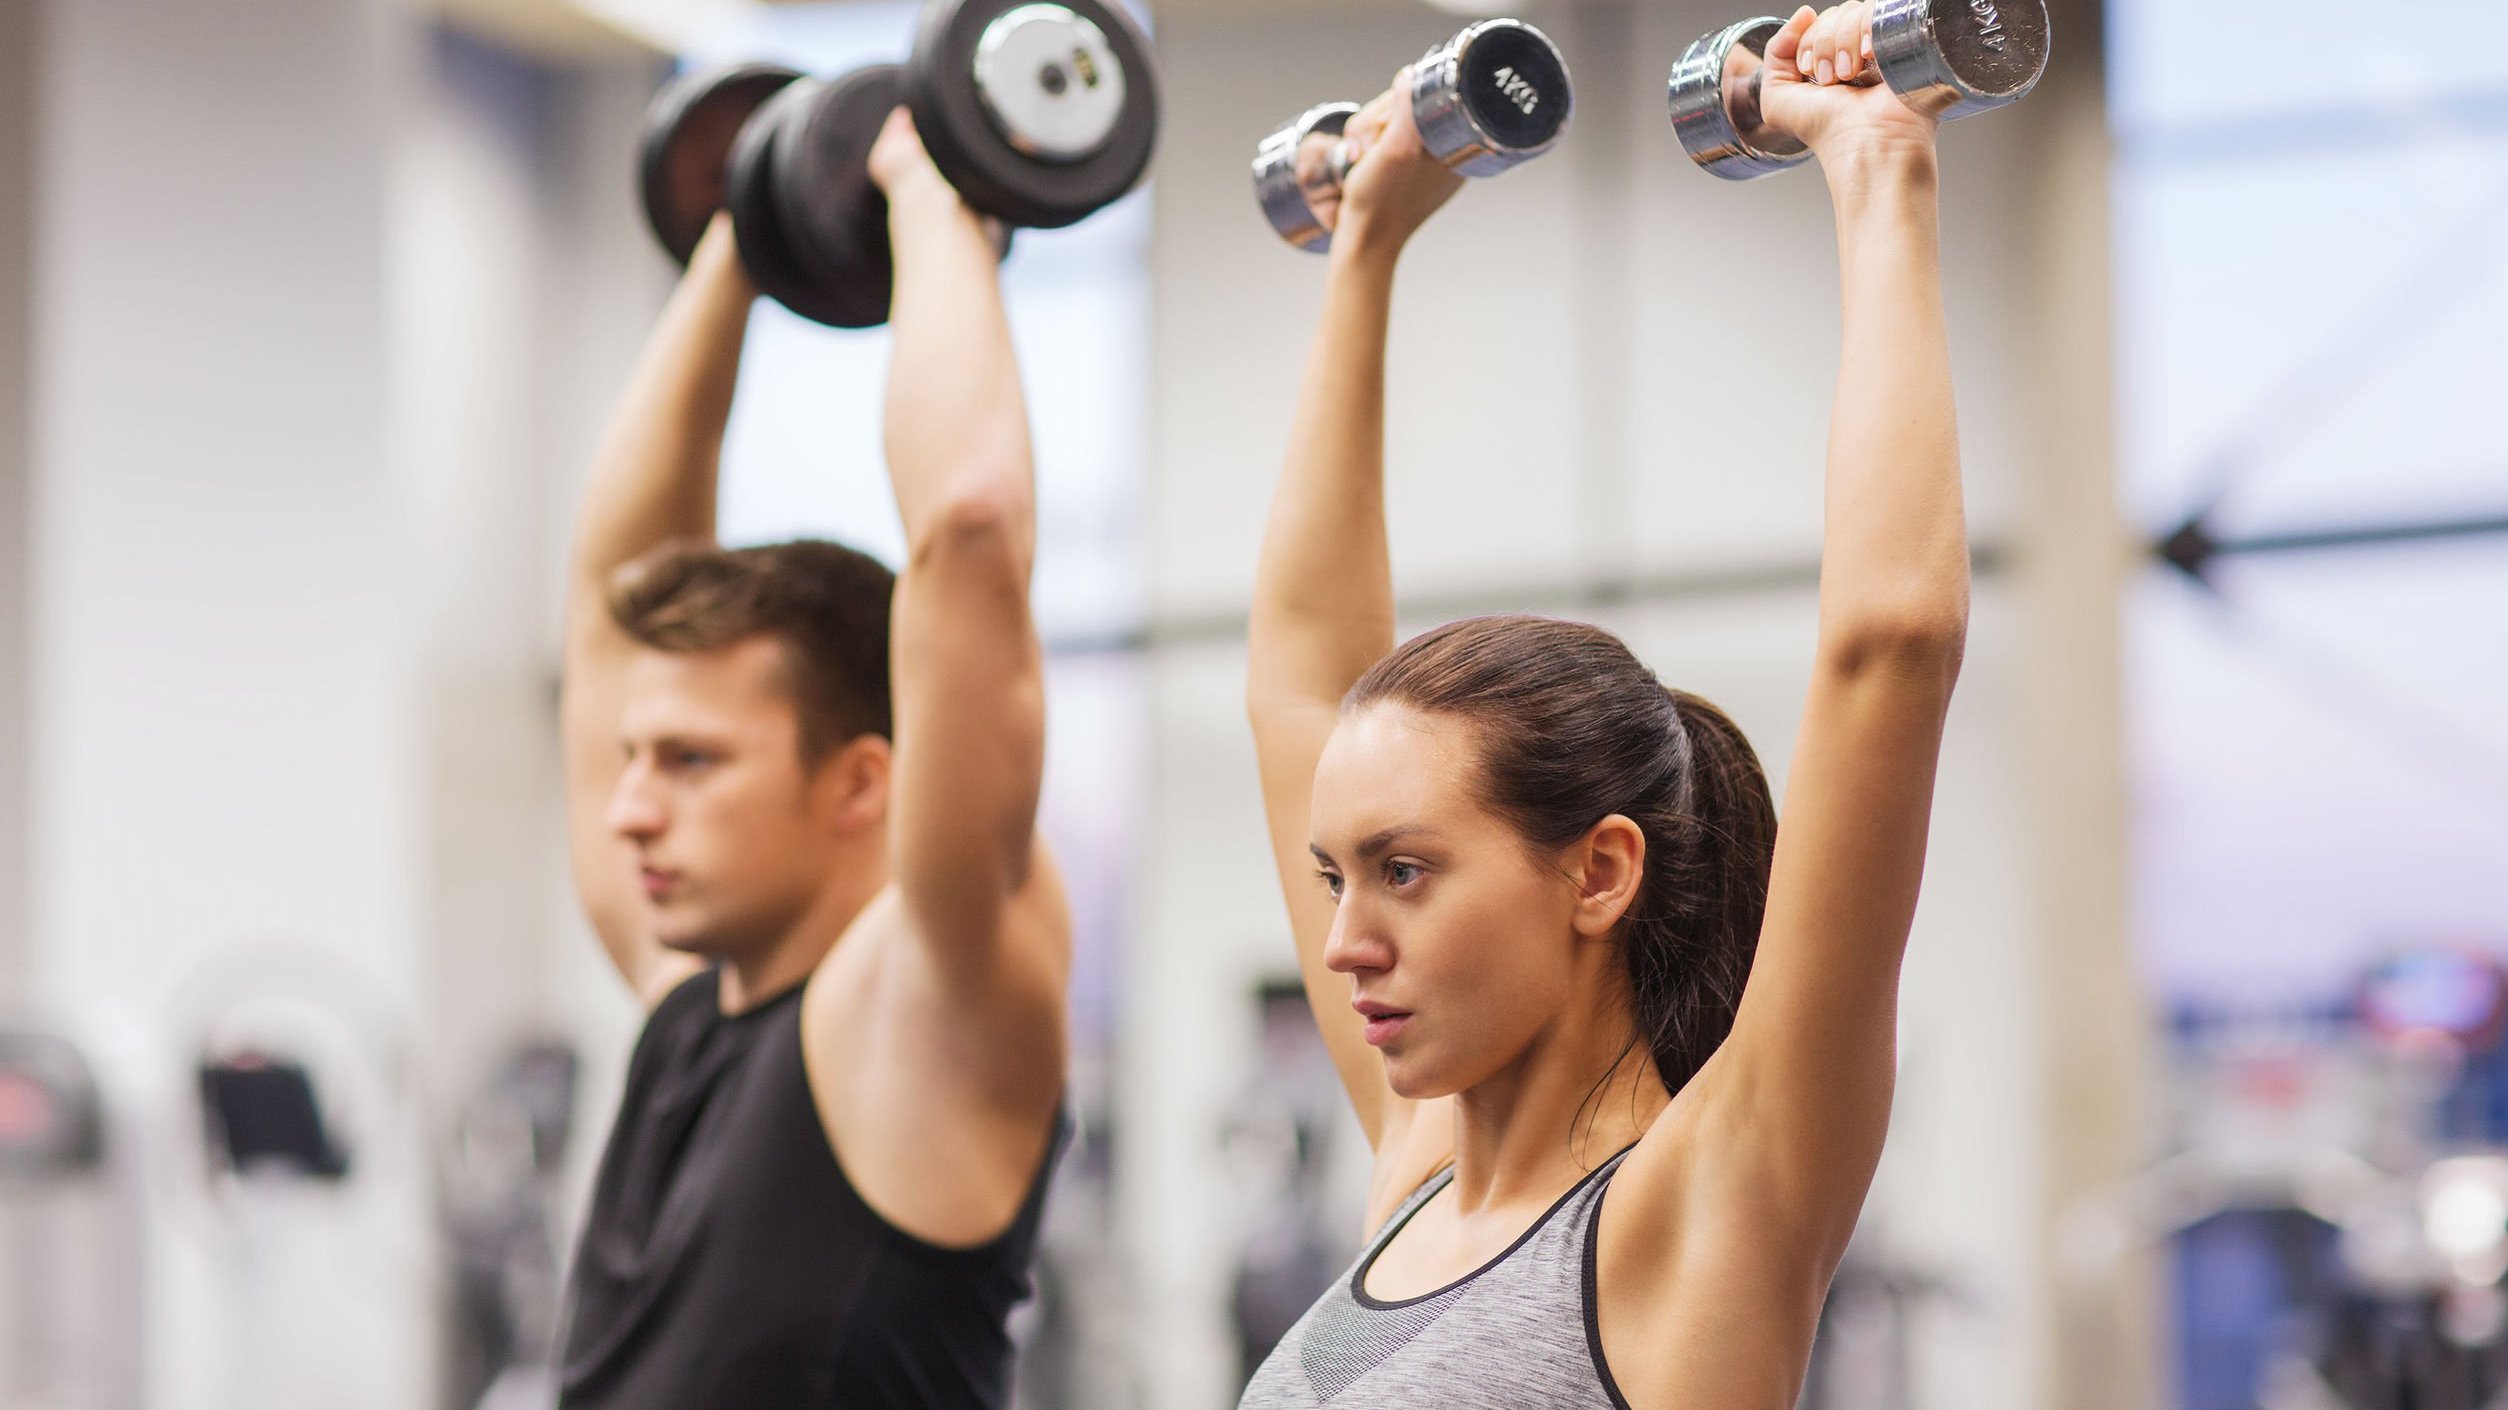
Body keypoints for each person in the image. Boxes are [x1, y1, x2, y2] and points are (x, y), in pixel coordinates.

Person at [1236, 4, 1968, 1405]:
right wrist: (1366, 248)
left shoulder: (1702, 1211)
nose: (1342, 944)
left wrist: (1880, 162)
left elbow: (1893, 645)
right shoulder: (1417, 1171)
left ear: (1600, 868)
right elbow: (1295, 689)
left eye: (1403, 871)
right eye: (1338, 876)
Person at [552, 109, 1070, 1410]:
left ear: (860, 779)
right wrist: (749, 224)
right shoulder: (687, 995)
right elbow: (610, 585)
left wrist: (933, 193)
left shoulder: (927, 1006)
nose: (627, 812)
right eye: (631, 758)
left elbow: (970, 527)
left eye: (690, 761)